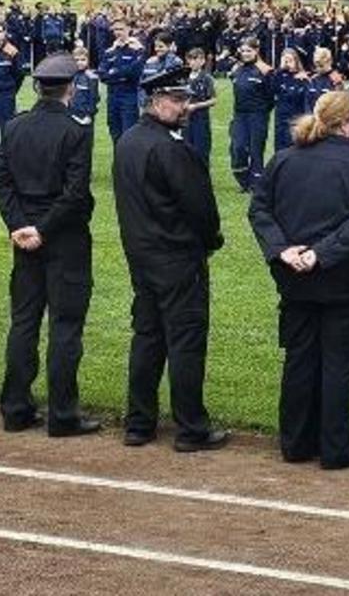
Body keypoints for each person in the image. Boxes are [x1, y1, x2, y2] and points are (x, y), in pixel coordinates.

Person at [248, 90, 349, 470]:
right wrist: (318, 254)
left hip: (297, 279)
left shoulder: (283, 160)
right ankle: (335, 448)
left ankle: (296, 442)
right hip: (345, 281)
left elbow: (260, 209)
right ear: (344, 123)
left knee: (300, 360)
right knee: (339, 364)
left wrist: (284, 250)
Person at [113, 62, 226, 452]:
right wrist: (210, 240)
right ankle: (191, 427)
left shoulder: (128, 140)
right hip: (177, 258)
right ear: (156, 100)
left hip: (141, 256)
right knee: (185, 342)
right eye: (177, 100)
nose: (185, 107)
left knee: (147, 338)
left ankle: (139, 423)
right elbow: (202, 210)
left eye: (185, 99)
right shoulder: (172, 149)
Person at [0, 53, 100, 437]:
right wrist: (41, 229)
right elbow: (74, 194)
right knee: (65, 326)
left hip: (26, 237)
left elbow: (2, 183)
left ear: (38, 87)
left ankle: (16, 408)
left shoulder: (15, 126)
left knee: (24, 322)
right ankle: (63, 414)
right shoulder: (76, 131)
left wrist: (20, 226)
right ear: (71, 87)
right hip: (64, 238)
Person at [228, 38, 273, 191]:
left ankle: (256, 183)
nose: (245, 54)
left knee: (256, 150)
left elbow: (270, 97)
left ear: (256, 51)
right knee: (238, 147)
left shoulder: (265, 70)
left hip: (258, 115)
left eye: (249, 50)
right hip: (239, 115)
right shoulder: (236, 70)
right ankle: (243, 180)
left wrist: (262, 111)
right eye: (243, 51)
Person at [183, 47, 217, 164]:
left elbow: (213, 100)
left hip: (201, 118)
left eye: (196, 59)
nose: (193, 62)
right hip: (186, 119)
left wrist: (196, 106)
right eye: (190, 59)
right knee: (186, 150)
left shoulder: (206, 78)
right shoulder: (184, 77)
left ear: (202, 61)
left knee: (201, 150)